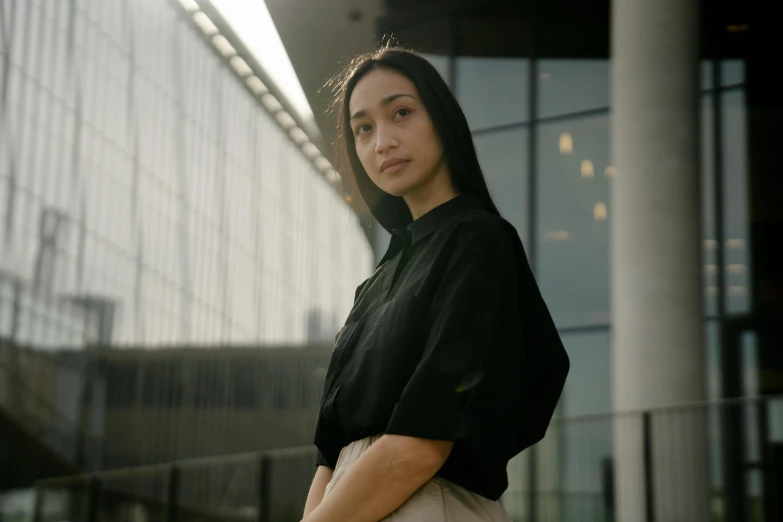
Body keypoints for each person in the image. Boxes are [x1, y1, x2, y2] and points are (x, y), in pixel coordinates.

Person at [301, 45, 570, 522]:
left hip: (429, 503)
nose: (381, 141)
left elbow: (422, 443)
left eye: (400, 112)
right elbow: (330, 455)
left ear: (443, 122)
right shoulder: (377, 283)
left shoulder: (480, 241)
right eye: (363, 128)